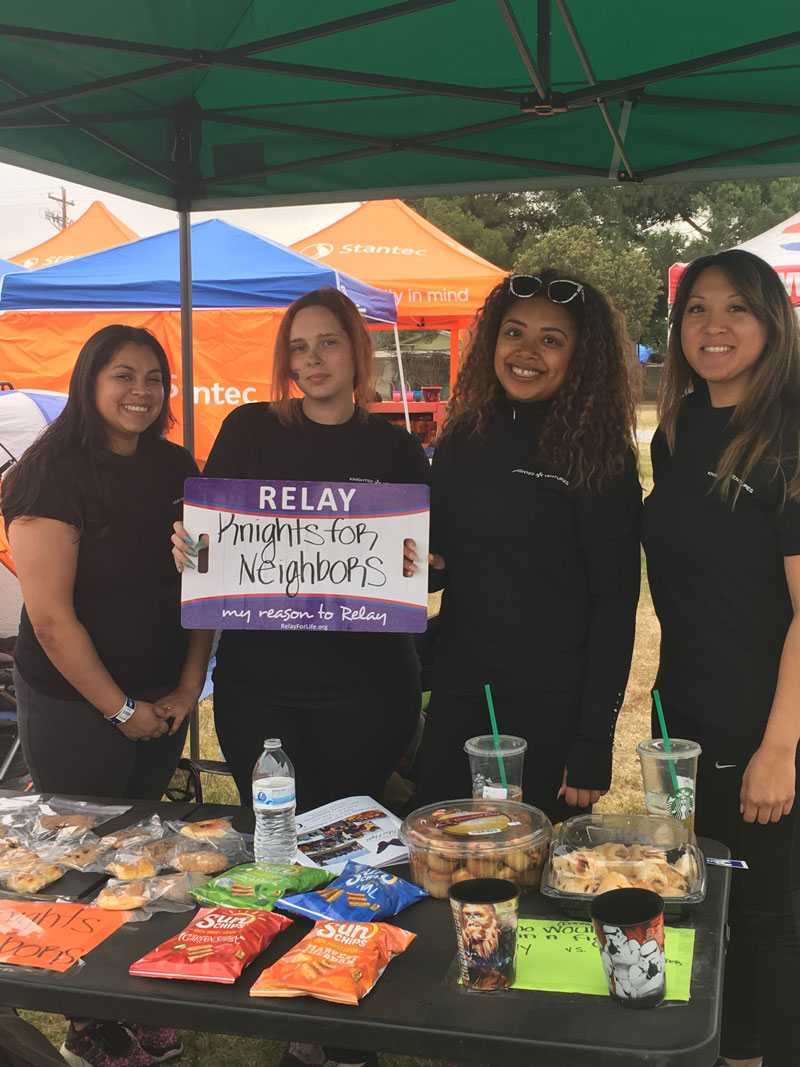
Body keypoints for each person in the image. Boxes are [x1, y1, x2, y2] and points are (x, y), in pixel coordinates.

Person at [172, 288, 429, 1067]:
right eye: (298, 346)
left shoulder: (396, 450)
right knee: (279, 853)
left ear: (358, 351)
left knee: (357, 860)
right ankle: (298, 1019)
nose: (312, 359)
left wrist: (420, 563)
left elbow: (423, 565)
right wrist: (190, 549)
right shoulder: (250, 429)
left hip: (367, 692)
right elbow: (213, 542)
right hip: (260, 690)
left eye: (328, 343)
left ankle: (346, 1025)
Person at [2, 324, 208, 1067]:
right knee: (80, 861)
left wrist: (188, 685)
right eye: (123, 375)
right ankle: (87, 1021)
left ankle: (135, 996)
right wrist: (119, 710)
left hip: (162, 695)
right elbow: (52, 619)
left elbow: (206, 583)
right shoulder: (48, 474)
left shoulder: (177, 466)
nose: (141, 391)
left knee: (146, 852)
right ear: (89, 381)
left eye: (155, 378)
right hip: (74, 702)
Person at [641, 249, 800, 1067]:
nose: (714, 325)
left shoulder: (789, 439)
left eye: (737, 307)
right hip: (681, 721)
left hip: (763, 721)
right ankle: (733, 1054)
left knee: (772, 916)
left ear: (773, 322)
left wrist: (781, 747)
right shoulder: (675, 433)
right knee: (706, 900)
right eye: (697, 308)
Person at [411, 270, 641, 822]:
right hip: (460, 691)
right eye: (513, 332)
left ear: (580, 357)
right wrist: (419, 565)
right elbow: (443, 562)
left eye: (550, 339)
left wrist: (594, 739)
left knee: (530, 868)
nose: (526, 352)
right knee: (435, 853)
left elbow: (616, 605)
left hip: (551, 706)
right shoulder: (463, 438)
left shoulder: (602, 458)